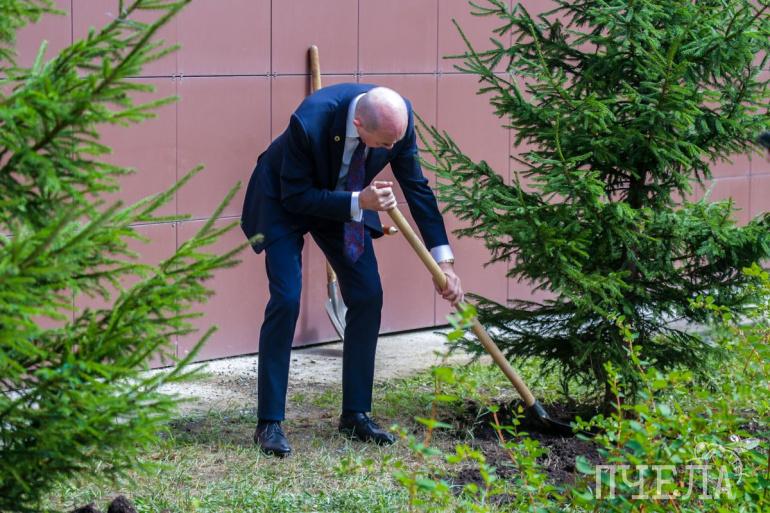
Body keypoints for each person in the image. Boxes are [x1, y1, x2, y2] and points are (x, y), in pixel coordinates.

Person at [241, 84, 463, 457]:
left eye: (395, 142)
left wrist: (444, 262)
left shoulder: (398, 121)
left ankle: (355, 415)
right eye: (385, 144)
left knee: (367, 294)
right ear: (359, 125)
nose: (392, 150)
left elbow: (418, 189)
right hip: (284, 199)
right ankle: (269, 423)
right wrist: (360, 200)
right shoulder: (308, 122)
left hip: (345, 198)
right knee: (286, 298)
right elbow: (297, 196)